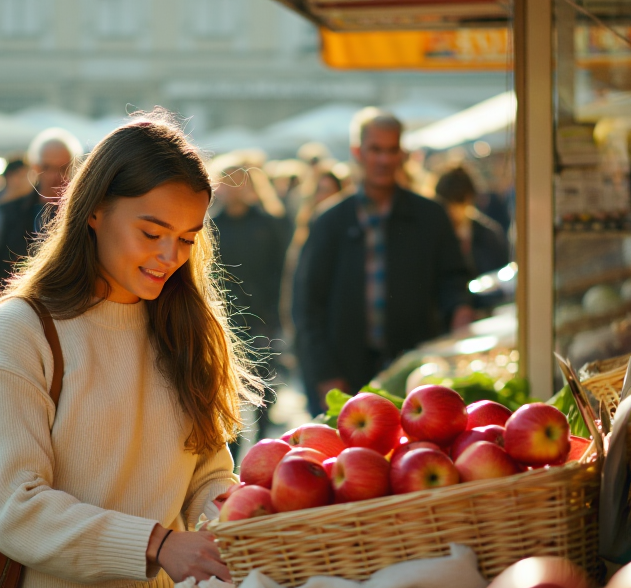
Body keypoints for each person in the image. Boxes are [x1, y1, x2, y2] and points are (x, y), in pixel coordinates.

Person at [0, 112, 257, 588]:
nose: (167, 257)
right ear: (93, 210)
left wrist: (224, 518)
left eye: (185, 238)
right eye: (151, 232)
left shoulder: (185, 324)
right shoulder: (20, 330)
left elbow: (209, 466)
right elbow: (14, 506)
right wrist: (158, 544)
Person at [293, 108, 474, 411]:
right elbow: (306, 306)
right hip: (347, 375)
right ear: (357, 152)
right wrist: (324, 374)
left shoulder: (430, 216)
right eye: (375, 149)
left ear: (402, 154)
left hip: (416, 373)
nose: (384, 160)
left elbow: (454, 278)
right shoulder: (330, 221)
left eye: (392, 150)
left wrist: (460, 309)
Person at [210, 155, 290, 443]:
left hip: (263, 317)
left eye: (238, 180)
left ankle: (265, 443)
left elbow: (281, 271)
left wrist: (277, 313)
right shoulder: (211, 225)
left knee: (264, 385)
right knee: (227, 389)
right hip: (224, 319)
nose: (233, 187)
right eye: (227, 181)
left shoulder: (268, 223)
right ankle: (229, 455)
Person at [0, 128, 83, 303]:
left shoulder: (86, 216)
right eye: (47, 167)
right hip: (9, 315)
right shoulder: (1, 214)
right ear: (35, 167)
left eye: (63, 168)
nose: (55, 176)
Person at [434, 165, 511, 310]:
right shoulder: (436, 235)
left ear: (469, 200)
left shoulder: (489, 235)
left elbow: (501, 281)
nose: (451, 212)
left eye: (456, 204)